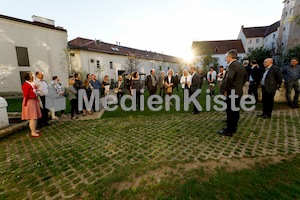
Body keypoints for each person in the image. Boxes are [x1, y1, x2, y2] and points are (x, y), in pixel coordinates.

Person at [218, 49, 248, 137]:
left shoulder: (232, 65)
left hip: (231, 92)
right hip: (238, 92)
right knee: (235, 111)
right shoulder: (240, 65)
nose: (226, 59)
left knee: (231, 112)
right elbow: (245, 77)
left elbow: (229, 78)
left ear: (230, 57)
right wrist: (239, 86)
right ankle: (233, 128)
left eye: (226, 57)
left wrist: (226, 90)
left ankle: (229, 130)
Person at [22, 72, 42, 137]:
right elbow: (27, 94)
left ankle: (34, 129)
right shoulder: (26, 85)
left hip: (33, 100)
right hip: (29, 101)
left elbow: (34, 91)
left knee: (35, 116)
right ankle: (33, 132)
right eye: (32, 75)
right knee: (33, 117)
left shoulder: (31, 84)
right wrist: (35, 94)